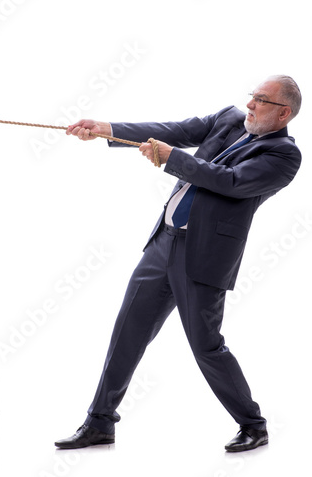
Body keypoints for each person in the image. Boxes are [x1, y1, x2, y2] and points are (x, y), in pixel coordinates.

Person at [55, 75, 302, 452]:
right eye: (252, 96)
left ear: (284, 113)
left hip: (203, 258)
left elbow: (229, 181)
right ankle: (99, 422)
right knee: (127, 332)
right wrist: (106, 129)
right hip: (163, 243)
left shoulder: (283, 155)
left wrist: (172, 158)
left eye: (262, 100)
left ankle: (253, 424)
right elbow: (173, 129)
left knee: (206, 346)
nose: (250, 104)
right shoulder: (229, 119)